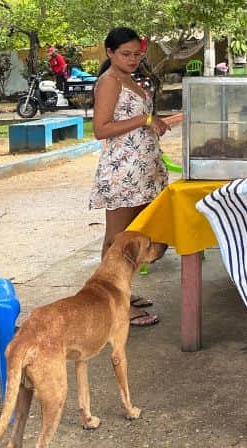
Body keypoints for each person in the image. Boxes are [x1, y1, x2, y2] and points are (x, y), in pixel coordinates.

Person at [90, 27, 172, 327]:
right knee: (117, 242)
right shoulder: (110, 81)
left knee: (134, 238)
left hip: (142, 169)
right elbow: (101, 129)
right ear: (110, 53)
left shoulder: (130, 79)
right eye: (126, 54)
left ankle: (122, 293)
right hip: (123, 171)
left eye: (137, 54)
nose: (133, 59)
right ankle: (112, 305)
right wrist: (145, 119)